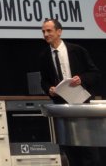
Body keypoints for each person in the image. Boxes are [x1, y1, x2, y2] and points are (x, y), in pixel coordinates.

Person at [38, 18, 102, 166]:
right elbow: (44, 81)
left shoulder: (77, 50)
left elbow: (95, 73)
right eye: (43, 31)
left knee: (89, 150)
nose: (46, 34)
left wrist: (82, 79)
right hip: (62, 108)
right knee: (71, 150)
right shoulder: (44, 56)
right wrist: (49, 89)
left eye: (49, 30)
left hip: (82, 105)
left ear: (59, 32)